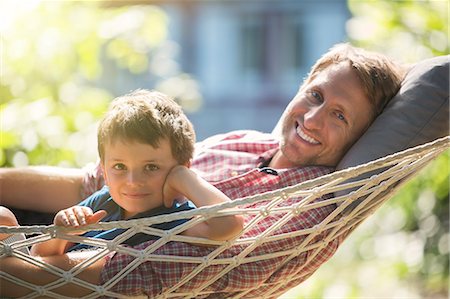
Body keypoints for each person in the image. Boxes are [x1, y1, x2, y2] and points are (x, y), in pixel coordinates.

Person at [0, 43, 405, 297]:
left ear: (360, 137)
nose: (313, 119)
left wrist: (13, 274)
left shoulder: (312, 209)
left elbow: (156, 269)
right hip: (53, 243)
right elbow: (91, 182)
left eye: (339, 115)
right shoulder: (247, 140)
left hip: (69, 278)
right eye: (314, 95)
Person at [0, 90, 243, 257]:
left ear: (181, 167)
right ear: (103, 170)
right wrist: (61, 233)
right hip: (36, 281)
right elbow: (39, 256)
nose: (133, 182)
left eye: (151, 167)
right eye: (119, 167)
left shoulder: (176, 219)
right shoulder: (103, 200)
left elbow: (229, 224)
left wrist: (183, 178)